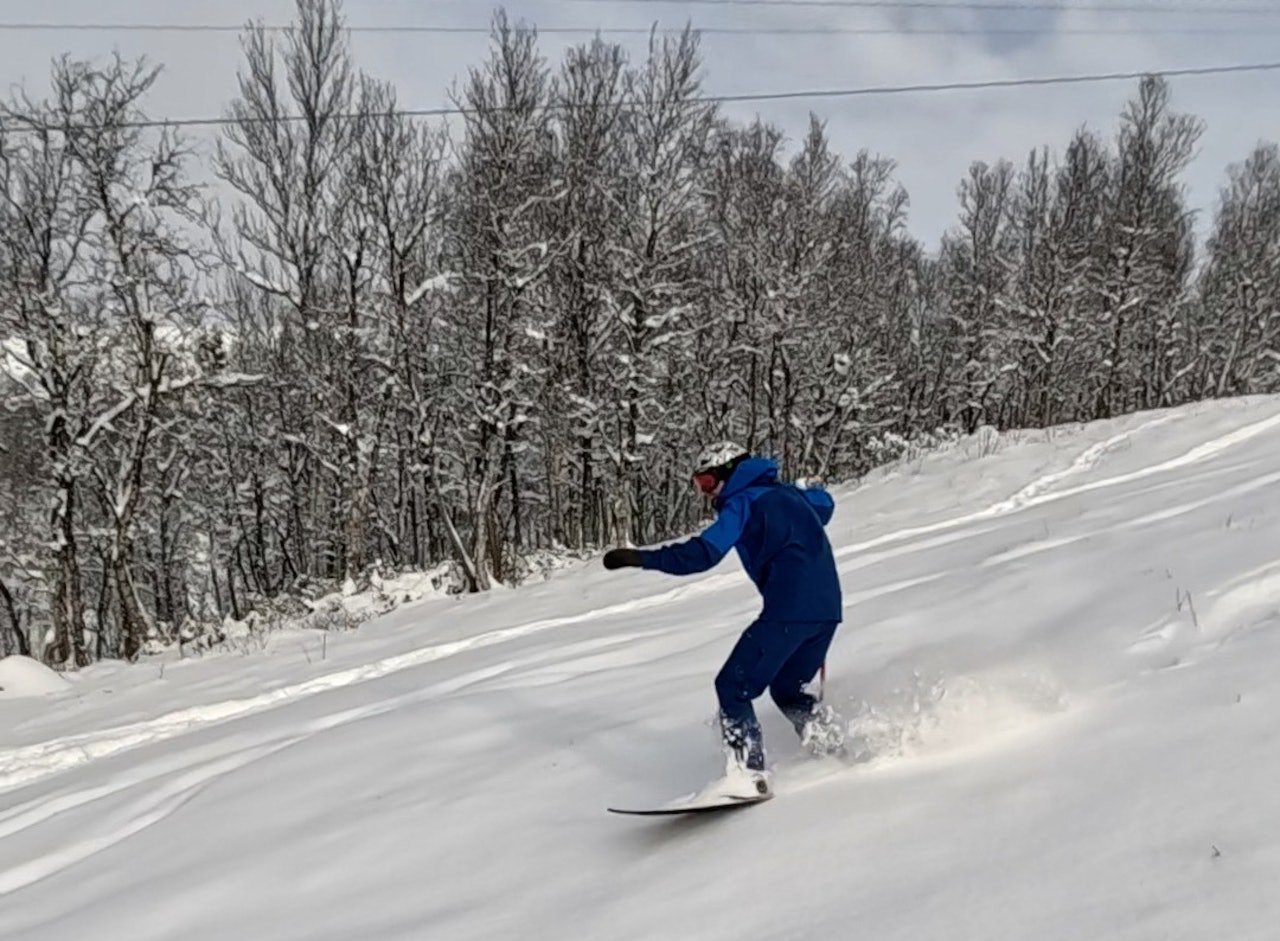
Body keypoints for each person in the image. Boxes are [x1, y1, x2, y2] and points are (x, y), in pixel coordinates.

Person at [603, 441, 845, 790]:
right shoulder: (790, 495)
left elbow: (702, 555)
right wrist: (806, 488)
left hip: (789, 609)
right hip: (827, 610)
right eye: (699, 485)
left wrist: (641, 558)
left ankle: (748, 775)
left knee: (733, 686)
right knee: (788, 690)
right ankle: (833, 748)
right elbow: (826, 504)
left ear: (729, 472)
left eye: (707, 482)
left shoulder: (742, 501)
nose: (706, 493)